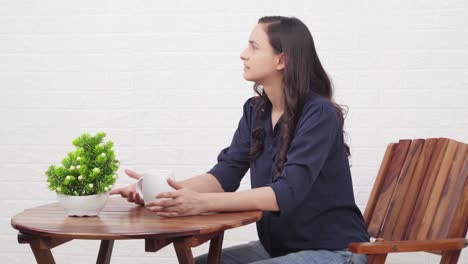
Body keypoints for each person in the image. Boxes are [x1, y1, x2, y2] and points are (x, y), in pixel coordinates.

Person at [110, 15, 370, 264]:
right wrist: (159, 194)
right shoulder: (256, 111)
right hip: (277, 249)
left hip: (336, 252)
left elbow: (286, 192)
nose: (243, 54)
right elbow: (224, 175)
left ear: (282, 60)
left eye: (254, 47)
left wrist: (200, 203)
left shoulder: (318, 113)